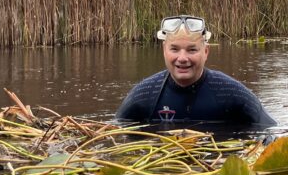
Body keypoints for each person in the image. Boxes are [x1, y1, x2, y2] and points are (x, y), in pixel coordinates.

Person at [116, 15, 277, 126]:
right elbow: (115, 131)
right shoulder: (144, 94)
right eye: (175, 49)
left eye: (192, 50)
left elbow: (270, 130)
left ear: (205, 52)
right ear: (164, 50)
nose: (182, 58)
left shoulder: (232, 93)